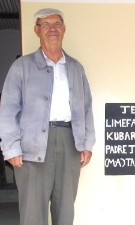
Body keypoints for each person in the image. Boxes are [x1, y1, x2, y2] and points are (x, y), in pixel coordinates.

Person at [0, 8, 96, 225]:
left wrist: (87, 143)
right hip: (31, 148)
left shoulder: (75, 68)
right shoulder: (21, 67)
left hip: (69, 143)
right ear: (37, 30)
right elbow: (7, 110)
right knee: (33, 212)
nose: (52, 29)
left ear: (63, 29)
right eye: (46, 24)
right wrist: (11, 147)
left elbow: (87, 108)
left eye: (56, 24)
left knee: (65, 210)